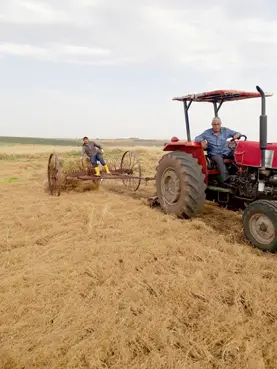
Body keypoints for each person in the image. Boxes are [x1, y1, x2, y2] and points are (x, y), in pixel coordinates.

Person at [194, 117, 241, 183]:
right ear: (212, 125)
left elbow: (237, 133)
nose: (216, 126)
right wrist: (201, 141)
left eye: (218, 124)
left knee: (236, 155)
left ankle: (237, 175)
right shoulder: (207, 133)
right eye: (215, 125)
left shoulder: (225, 130)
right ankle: (226, 179)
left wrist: (237, 135)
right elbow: (197, 138)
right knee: (219, 160)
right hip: (214, 154)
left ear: (220, 124)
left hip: (225, 152)